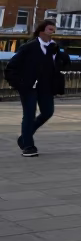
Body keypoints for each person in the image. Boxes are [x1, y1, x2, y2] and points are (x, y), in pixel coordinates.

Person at [5, 19, 67, 157]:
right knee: (29, 114)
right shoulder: (29, 47)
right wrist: (18, 83)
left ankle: (24, 137)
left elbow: (65, 63)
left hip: (46, 86)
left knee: (48, 112)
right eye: (50, 29)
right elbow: (12, 66)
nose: (53, 32)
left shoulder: (55, 47)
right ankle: (28, 146)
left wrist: (58, 53)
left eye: (54, 29)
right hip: (29, 86)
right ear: (42, 31)